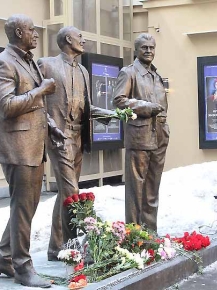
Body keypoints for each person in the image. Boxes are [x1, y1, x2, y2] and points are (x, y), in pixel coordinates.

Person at [0, 14, 66, 288]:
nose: (35, 34)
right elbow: (7, 106)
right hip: (17, 146)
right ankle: (22, 267)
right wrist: (42, 90)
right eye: (32, 30)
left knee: (26, 206)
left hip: (34, 143)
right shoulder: (2, 63)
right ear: (19, 32)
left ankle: (3, 257)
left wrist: (52, 125)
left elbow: (37, 108)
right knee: (23, 206)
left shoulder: (28, 60)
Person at [38, 26, 112, 261]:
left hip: (79, 136)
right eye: (80, 37)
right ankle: (74, 245)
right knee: (72, 191)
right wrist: (49, 124)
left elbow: (86, 106)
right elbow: (36, 98)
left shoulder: (83, 71)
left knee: (64, 192)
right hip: (59, 136)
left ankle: (55, 246)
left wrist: (111, 113)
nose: (84, 40)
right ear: (68, 39)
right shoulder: (47, 64)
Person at [113, 33, 168, 232]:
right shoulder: (129, 73)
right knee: (136, 189)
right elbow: (119, 101)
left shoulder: (156, 75)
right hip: (140, 136)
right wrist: (146, 106)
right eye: (144, 47)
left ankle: (150, 233)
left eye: (152, 47)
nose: (149, 51)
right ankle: (134, 234)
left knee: (152, 188)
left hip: (159, 135)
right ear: (136, 50)